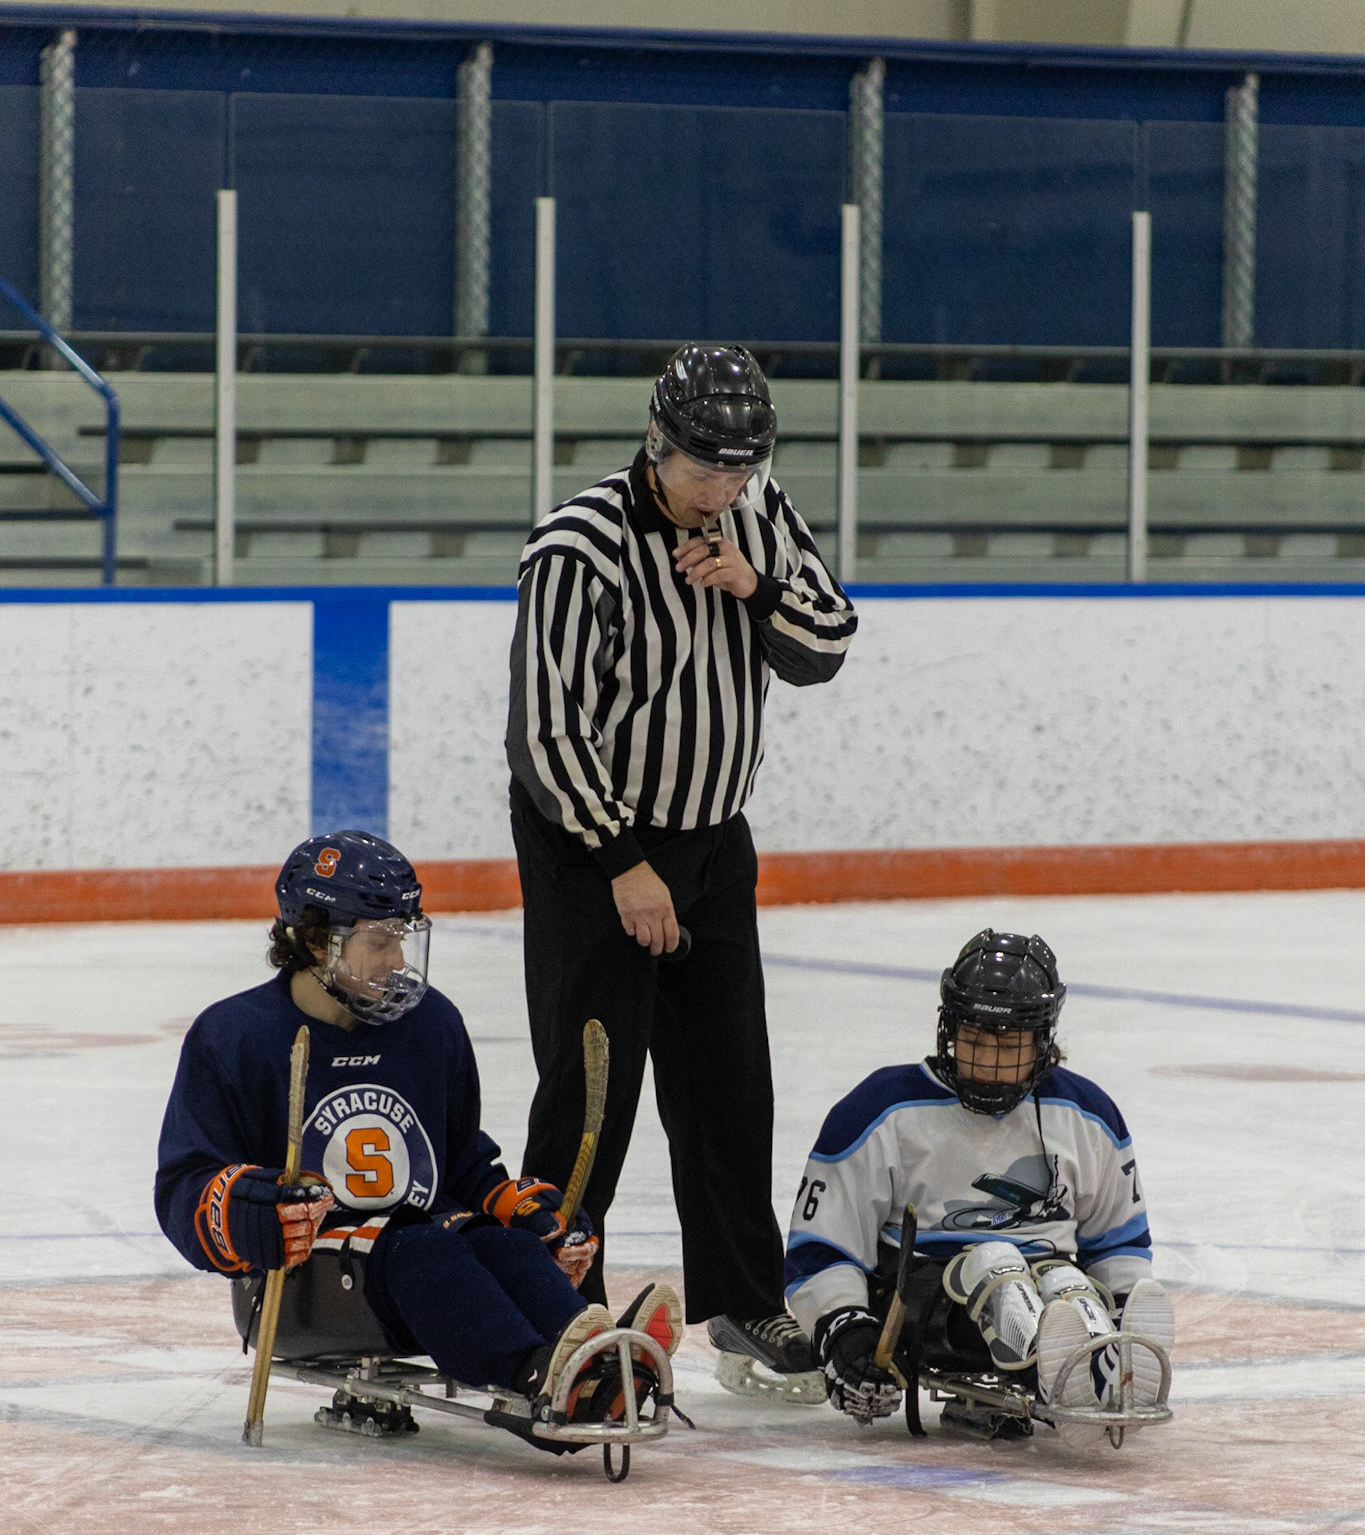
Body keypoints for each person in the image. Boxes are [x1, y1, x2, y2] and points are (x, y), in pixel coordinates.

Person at [507, 343, 857, 1396]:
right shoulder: (580, 546)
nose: (724, 490)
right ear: (657, 444)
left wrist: (753, 589)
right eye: (707, 469)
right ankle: (564, 1305)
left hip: (713, 844)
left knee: (728, 1085)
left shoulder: (758, 514)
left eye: (740, 470)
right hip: (593, 850)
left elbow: (828, 639)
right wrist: (621, 861)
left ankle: (745, 1301)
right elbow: (545, 731)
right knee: (590, 1091)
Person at [154, 829, 681, 1437]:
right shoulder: (235, 1035)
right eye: (379, 943)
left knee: (499, 1246)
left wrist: (517, 1206)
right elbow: (184, 1187)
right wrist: (252, 1208)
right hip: (302, 1290)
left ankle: (603, 1367)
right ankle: (542, 1376)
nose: (398, 963)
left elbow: (459, 1166)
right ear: (317, 940)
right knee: (425, 1248)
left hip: (426, 1281)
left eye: (403, 940)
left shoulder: (432, 1023)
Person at [782, 928, 1174, 1438]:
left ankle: (1104, 1354)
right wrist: (844, 1326)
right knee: (997, 1266)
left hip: (1047, 1284)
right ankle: (1069, 1371)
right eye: (975, 1040)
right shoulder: (881, 1108)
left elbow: (1118, 1241)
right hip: (919, 1298)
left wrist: (1119, 1298)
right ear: (949, 1030)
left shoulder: (1088, 1114)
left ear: (1043, 1041)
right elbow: (821, 1246)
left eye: (1008, 1044)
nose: (989, 1064)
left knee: (1068, 1283)